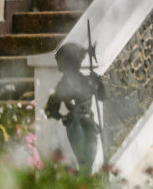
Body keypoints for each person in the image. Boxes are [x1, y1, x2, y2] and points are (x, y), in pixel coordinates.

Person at [45, 42, 107, 170]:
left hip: (89, 122)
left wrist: (99, 83)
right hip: (75, 123)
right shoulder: (64, 85)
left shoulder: (89, 80)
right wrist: (63, 118)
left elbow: (103, 96)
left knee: (89, 158)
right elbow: (50, 109)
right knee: (83, 160)